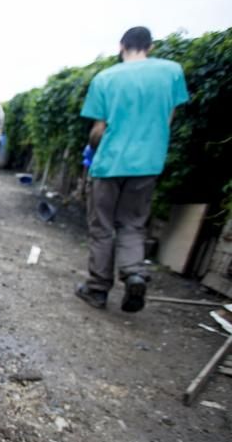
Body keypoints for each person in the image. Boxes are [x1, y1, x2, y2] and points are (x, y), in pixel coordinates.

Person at [75, 26, 188, 312]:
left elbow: (98, 130)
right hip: (148, 162)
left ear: (121, 46)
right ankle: (134, 272)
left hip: (109, 161)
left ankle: (98, 289)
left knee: (102, 226)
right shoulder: (171, 72)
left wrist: (92, 149)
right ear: (149, 46)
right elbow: (168, 119)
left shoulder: (106, 78)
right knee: (133, 223)